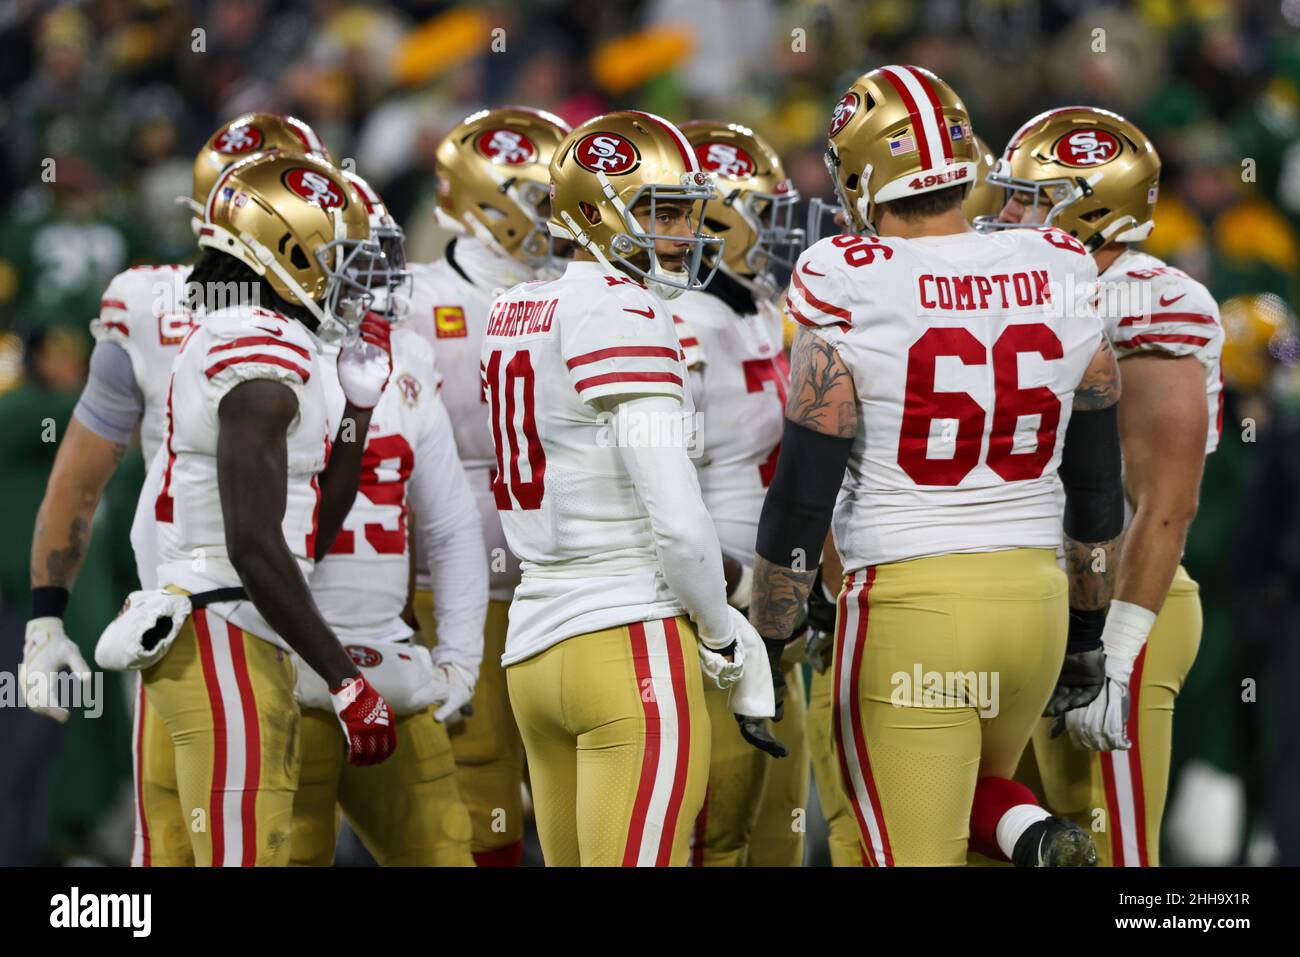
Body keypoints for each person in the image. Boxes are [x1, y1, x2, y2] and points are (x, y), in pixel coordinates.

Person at [750, 66, 1125, 867]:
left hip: (911, 606)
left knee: (908, 849)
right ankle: (1033, 835)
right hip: (1035, 602)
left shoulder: (846, 274)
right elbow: (1097, 488)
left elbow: (803, 493)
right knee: (978, 809)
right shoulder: (1060, 261)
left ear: (860, 173)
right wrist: (1089, 631)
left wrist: (772, 636)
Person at [484, 110, 772, 866]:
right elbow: (677, 518)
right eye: (662, 213)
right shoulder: (624, 307)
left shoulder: (515, 306)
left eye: (686, 211)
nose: (685, 233)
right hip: (628, 643)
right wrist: (720, 631)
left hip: (533, 646)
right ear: (594, 212)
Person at [133, 150, 399, 866]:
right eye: (337, 257)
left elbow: (306, 535)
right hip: (224, 631)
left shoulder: (258, 336)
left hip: (226, 628)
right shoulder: (256, 343)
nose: (352, 280)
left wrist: (358, 413)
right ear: (288, 252)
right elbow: (252, 541)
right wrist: (345, 678)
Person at [986, 106, 1224, 866]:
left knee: (1114, 853)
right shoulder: (1030, 288)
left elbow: (1166, 504)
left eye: (1027, 199)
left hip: (1124, 603)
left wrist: (1114, 655)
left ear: (1091, 211)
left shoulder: (1151, 300)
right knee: (1013, 844)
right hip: (1035, 600)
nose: (1005, 214)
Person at [289, 172, 485, 866]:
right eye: (354, 259)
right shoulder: (260, 354)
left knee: (446, 855)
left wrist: (459, 659)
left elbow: (450, 523)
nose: (376, 279)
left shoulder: (405, 356)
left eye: (380, 257)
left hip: (389, 660)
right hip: (284, 665)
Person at [404, 105, 571, 865]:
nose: (562, 213)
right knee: (474, 777)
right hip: (455, 573)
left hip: (572, 570)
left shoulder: (584, 289)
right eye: (544, 197)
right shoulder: (409, 297)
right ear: (487, 198)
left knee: (578, 773)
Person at [666, 119, 808, 866]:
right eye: (764, 212)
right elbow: (659, 502)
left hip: (774, 616)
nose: (781, 231)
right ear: (716, 222)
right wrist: (743, 587)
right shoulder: (678, 321)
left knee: (778, 838)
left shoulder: (755, 306)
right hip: (712, 622)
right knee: (714, 840)